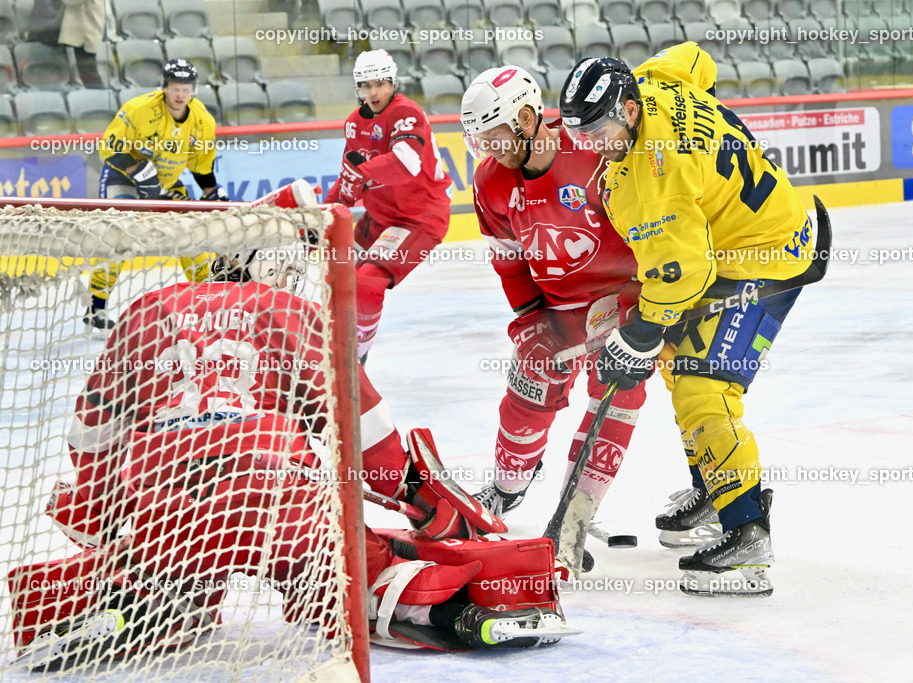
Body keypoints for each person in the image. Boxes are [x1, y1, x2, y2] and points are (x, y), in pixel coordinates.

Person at [8, 242, 575, 671]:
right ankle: (435, 608)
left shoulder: (148, 309)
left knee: (172, 586)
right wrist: (419, 500)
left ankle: (123, 599)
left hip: (166, 506)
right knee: (356, 567)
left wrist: (102, 511)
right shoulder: (295, 314)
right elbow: (368, 441)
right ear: (265, 265)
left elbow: (92, 432)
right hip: (278, 495)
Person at [559, 43, 822, 596]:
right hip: (751, 235)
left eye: (599, 131)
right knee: (681, 365)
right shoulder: (655, 78)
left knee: (704, 384)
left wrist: (639, 335)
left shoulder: (653, 182)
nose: (591, 146)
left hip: (765, 256)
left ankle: (748, 536)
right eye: (581, 134)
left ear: (629, 110)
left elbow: (682, 274)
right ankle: (714, 490)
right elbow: (695, 58)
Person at [460, 66, 647, 573]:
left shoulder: (594, 154)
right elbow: (510, 261)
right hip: (556, 307)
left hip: (623, 296)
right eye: (478, 138)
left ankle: (575, 518)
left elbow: (652, 225)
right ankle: (505, 487)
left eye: (493, 135)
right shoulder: (490, 183)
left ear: (525, 117)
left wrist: (649, 303)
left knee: (617, 393)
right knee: (528, 391)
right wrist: (527, 322)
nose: (486, 148)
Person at [325, 50, 452, 364]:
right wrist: (318, 216)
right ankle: (333, 351)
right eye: (366, 85)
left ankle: (354, 363)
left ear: (393, 82)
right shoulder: (354, 124)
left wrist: (362, 173)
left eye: (380, 83)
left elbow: (405, 164)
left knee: (367, 283)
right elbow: (347, 181)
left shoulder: (406, 112)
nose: (374, 92)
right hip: (378, 219)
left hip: (418, 219)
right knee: (333, 277)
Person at [87, 59, 229, 330]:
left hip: (165, 184)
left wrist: (213, 193)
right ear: (164, 87)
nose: (180, 95)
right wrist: (137, 169)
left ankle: (207, 304)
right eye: (175, 87)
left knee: (192, 239)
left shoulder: (202, 121)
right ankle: (96, 308)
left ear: (194, 90)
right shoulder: (139, 110)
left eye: (186, 89)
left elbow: (201, 167)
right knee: (118, 239)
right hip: (123, 178)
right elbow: (108, 148)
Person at [59, 0, 107, 88]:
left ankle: (99, 99)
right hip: (84, 33)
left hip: (85, 35)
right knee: (88, 74)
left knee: (89, 75)